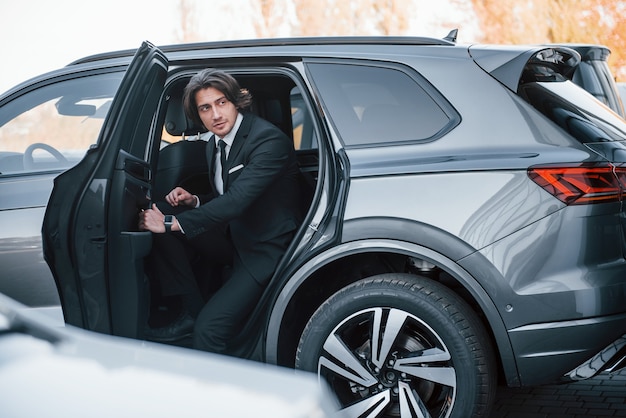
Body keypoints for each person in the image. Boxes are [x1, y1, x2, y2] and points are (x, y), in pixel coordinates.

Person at [139, 70, 302, 354]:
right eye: (205, 108)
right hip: (236, 236)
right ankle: (191, 310)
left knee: (209, 330)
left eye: (221, 103)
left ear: (236, 102)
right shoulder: (214, 144)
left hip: (266, 249)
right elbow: (225, 197)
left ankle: (222, 390)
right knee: (160, 210)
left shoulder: (267, 141)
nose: (215, 114)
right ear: (197, 114)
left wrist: (172, 223)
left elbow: (237, 201)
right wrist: (195, 202)